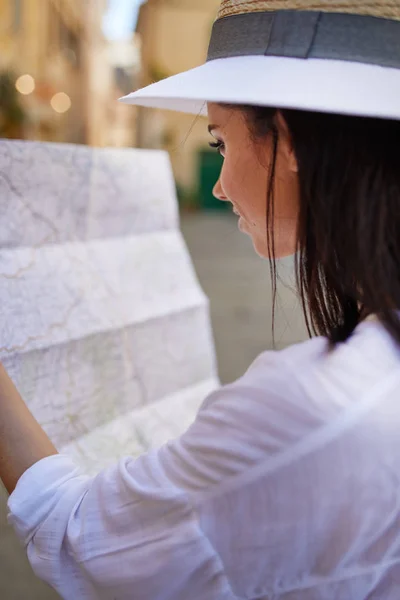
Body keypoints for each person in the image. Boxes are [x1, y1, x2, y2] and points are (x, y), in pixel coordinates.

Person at [2, 0, 400, 597]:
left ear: (286, 140)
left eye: (219, 142)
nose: (216, 184)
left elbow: (81, 534)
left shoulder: (316, 400)